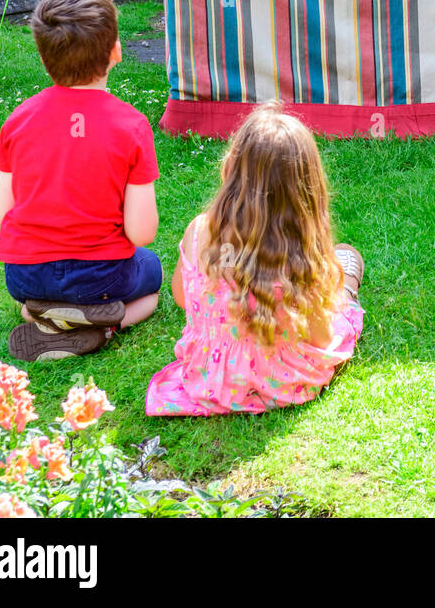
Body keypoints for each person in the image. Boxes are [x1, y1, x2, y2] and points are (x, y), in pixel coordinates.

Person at [146, 103, 364, 416]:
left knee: (337, 267)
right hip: (280, 383)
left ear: (232, 168)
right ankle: (347, 277)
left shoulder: (199, 231)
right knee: (341, 287)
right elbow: (322, 338)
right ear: (305, 189)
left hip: (209, 381)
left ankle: (344, 270)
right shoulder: (297, 252)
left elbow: (181, 297)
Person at [0, 0, 162, 362]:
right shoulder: (132, 126)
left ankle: (47, 318)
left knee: (29, 304)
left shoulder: (18, 120)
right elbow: (142, 232)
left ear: (43, 56)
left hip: (25, 277)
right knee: (151, 279)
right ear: (115, 50)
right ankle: (102, 327)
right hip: (102, 278)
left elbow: (4, 211)